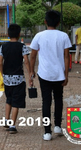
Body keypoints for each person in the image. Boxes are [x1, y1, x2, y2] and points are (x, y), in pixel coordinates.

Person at [30, 10, 71, 141]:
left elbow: (32, 55)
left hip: (44, 74)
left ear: (45, 21)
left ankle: (47, 132)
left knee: (46, 101)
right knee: (58, 99)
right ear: (58, 22)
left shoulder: (39, 36)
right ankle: (58, 126)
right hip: (59, 74)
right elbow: (66, 56)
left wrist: (31, 71)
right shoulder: (64, 36)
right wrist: (66, 74)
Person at [0, 24, 31, 134]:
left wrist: (3, 74)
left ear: (8, 34)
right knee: (16, 102)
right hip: (19, 79)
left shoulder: (3, 46)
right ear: (19, 34)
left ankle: (6, 120)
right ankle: (12, 125)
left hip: (7, 78)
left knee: (9, 99)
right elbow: (26, 61)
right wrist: (30, 72)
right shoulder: (22, 46)